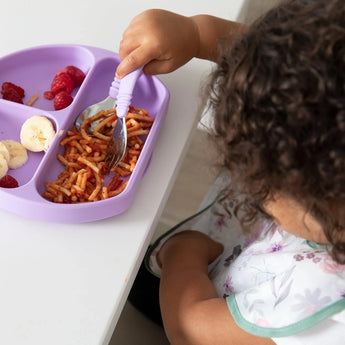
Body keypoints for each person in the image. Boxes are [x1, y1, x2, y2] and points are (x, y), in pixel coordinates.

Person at [116, 1, 345, 344]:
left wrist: (183, 255)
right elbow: (284, 63)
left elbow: (189, 328)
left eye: (262, 185)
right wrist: (196, 34)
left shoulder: (322, 300)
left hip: (213, 311)